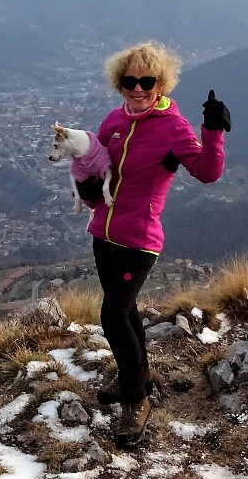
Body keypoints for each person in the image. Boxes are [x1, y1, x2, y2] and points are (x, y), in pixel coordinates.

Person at [71, 40, 229, 448]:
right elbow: (99, 171)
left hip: (139, 241)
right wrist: (87, 186)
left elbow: (208, 172)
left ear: (161, 83)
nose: (138, 88)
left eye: (147, 81)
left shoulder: (172, 127)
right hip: (103, 234)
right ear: (119, 83)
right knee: (126, 314)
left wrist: (212, 128)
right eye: (129, 81)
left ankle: (136, 399)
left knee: (112, 315)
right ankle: (137, 377)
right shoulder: (114, 122)